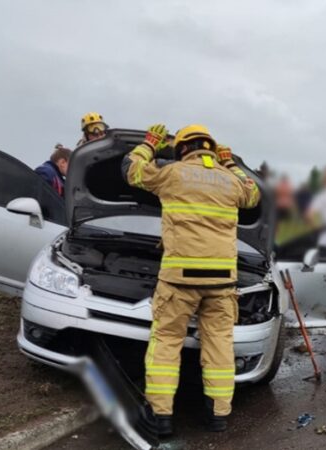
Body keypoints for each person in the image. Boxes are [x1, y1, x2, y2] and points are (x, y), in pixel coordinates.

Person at [121, 123, 259, 436]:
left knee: (167, 342)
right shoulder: (229, 180)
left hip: (179, 280)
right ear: (210, 148)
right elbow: (253, 195)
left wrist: (150, 143)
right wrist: (230, 163)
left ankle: (161, 416)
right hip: (222, 282)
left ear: (183, 149)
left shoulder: (172, 173)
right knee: (219, 344)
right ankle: (218, 415)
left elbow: (130, 169)